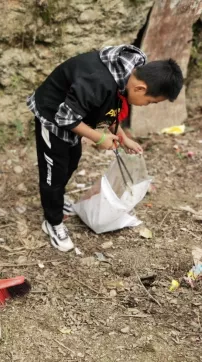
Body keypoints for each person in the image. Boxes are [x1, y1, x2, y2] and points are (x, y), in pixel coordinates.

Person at [27, 45, 183, 252]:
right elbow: (64, 118)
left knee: (71, 160)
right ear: (141, 89)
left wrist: (123, 137)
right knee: (53, 172)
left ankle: (56, 197)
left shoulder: (129, 75)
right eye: (150, 102)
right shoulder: (98, 82)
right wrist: (99, 137)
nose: (146, 105)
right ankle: (52, 221)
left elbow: (111, 109)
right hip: (52, 117)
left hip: (75, 117)